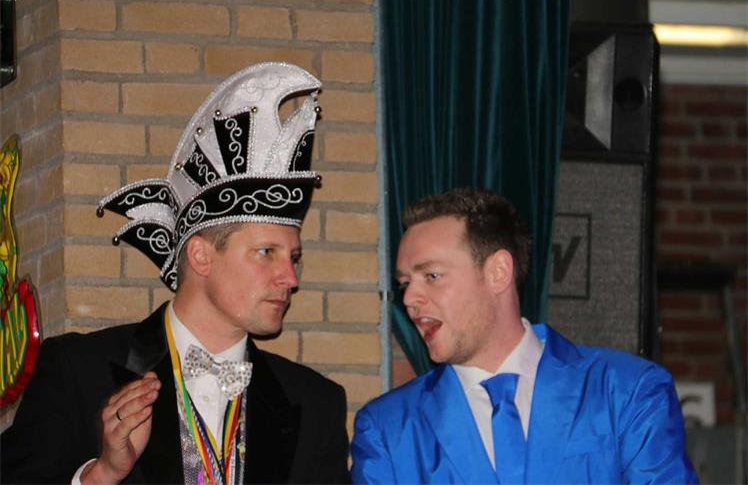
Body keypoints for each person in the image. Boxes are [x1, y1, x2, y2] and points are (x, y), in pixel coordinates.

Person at [1, 62, 350, 484]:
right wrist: (101, 474)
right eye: (265, 253)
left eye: (293, 257)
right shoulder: (78, 371)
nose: (290, 278)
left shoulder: (315, 404)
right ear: (201, 256)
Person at [351, 187, 697, 484]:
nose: (410, 299)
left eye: (432, 276)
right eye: (405, 284)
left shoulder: (627, 392)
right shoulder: (388, 429)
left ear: (498, 272)